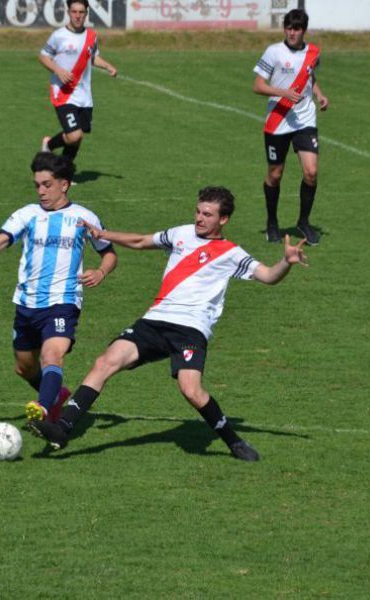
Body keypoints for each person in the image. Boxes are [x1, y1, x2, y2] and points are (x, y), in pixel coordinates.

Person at [28, 186, 309, 462]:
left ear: (223, 219)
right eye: (198, 211)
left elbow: (269, 276)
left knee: (191, 390)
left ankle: (233, 441)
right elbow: (140, 241)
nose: (199, 218)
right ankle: (62, 429)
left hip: (190, 329)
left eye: (207, 214)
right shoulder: (180, 234)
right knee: (105, 362)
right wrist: (103, 234)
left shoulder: (231, 253)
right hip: (155, 320)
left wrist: (286, 261)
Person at [0, 152, 117, 424]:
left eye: (47, 184)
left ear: (64, 184)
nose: (41, 191)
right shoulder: (27, 214)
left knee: (51, 355)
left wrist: (101, 271)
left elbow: (109, 253)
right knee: (24, 367)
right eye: (37, 185)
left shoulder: (83, 217)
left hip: (63, 300)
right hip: (26, 303)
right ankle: (57, 395)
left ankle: (43, 407)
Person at [253, 8, 329, 246]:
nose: (292, 32)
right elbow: (258, 85)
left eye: (296, 29)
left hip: (305, 120)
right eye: (288, 28)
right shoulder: (274, 52)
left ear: (303, 30)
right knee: (275, 175)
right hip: (278, 121)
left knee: (311, 172)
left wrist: (319, 94)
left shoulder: (313, 52)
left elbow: (308, 75)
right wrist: (283, 92)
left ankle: (303, 222)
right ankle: (272, 223)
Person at [39, 0, 118, 166]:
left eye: (81, 12)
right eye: (74, 11)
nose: (77, 15)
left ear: (86, 14)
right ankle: (49, 145)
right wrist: (58, 71)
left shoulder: (91, 36)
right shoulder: (59, 35)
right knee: (74, 135)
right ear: (68, 12)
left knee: (78, 136)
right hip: (63, 93)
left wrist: (107, 66)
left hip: (84, 95)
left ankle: (63, 173)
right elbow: (43, 56)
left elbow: (93, 56)